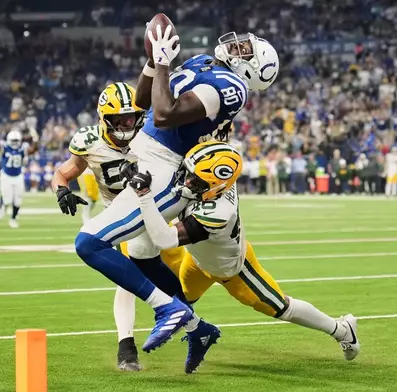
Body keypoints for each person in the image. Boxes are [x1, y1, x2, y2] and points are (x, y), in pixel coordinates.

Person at [73, 26, 280, 354]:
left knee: (88, 244)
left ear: (253, 70)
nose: (238, 48)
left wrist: (166, 62)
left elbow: (166, 116)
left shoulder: (233, 86)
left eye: (247, 52)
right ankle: (198, 329)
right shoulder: (204, 62)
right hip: (147, 161)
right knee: (141, 256)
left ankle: (167, 308)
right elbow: (143, 101)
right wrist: (153, 63)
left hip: (164, 170)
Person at [127, 141, 360, 373]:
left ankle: (341, 329)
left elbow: (166, 239)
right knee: (179, 305)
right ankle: (201, 337)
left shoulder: (218, 212)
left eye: (195, 181)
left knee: (280, 307)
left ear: (216, 185)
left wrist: (144, 195)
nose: (187, 182)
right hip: (197, 261)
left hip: (232, 269)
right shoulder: (216, 179)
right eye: (189, 174)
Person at [54, 82, 186, 371]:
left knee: (172, 278)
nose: (127, 125)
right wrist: (61, 190)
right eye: (119, 120)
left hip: (156, 211)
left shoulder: (151, 138)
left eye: (131, 118)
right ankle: (127, 347)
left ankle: (186, 317)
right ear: (104, 119)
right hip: (119, 214)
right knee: (127, 279)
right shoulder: (90, 141)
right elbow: (64, 172)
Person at [0, 122, 39, 228]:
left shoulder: (22, 149)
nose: (14, 143)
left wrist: (35, 139)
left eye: (16, 141)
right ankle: (2, 209)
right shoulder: (5, 147)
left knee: (18, 199)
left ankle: (13, 218)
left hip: (18, 176)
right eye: (13, 140)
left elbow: (33, 150)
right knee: (6, 197)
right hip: (6, 175)